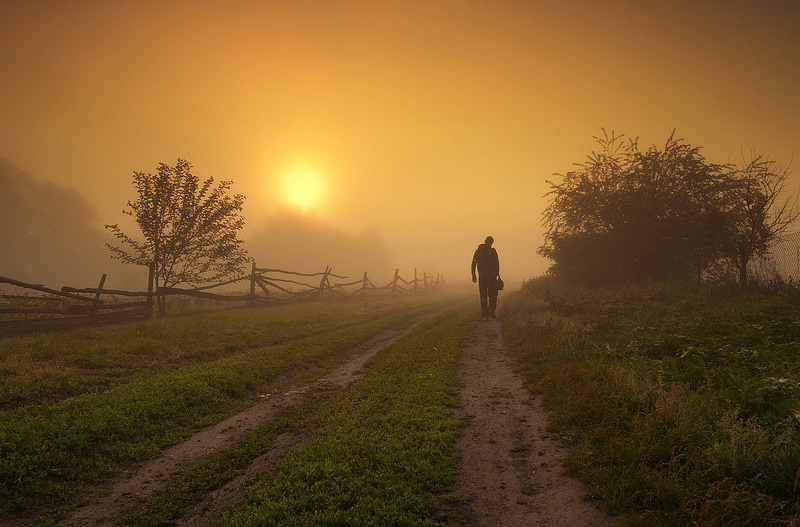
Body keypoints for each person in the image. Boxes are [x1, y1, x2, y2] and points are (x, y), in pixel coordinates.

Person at [471, 235, 500, 319]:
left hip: (482, 277)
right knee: (493, 295)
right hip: (492, 277)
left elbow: (473, 264)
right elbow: (497, 264)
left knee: (483, 296)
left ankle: (484, 314)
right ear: (492, 243)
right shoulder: (493, 251)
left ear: (485, 241)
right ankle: (491, 310)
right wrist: (497, 274)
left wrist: (473, 275)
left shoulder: (478, 252)